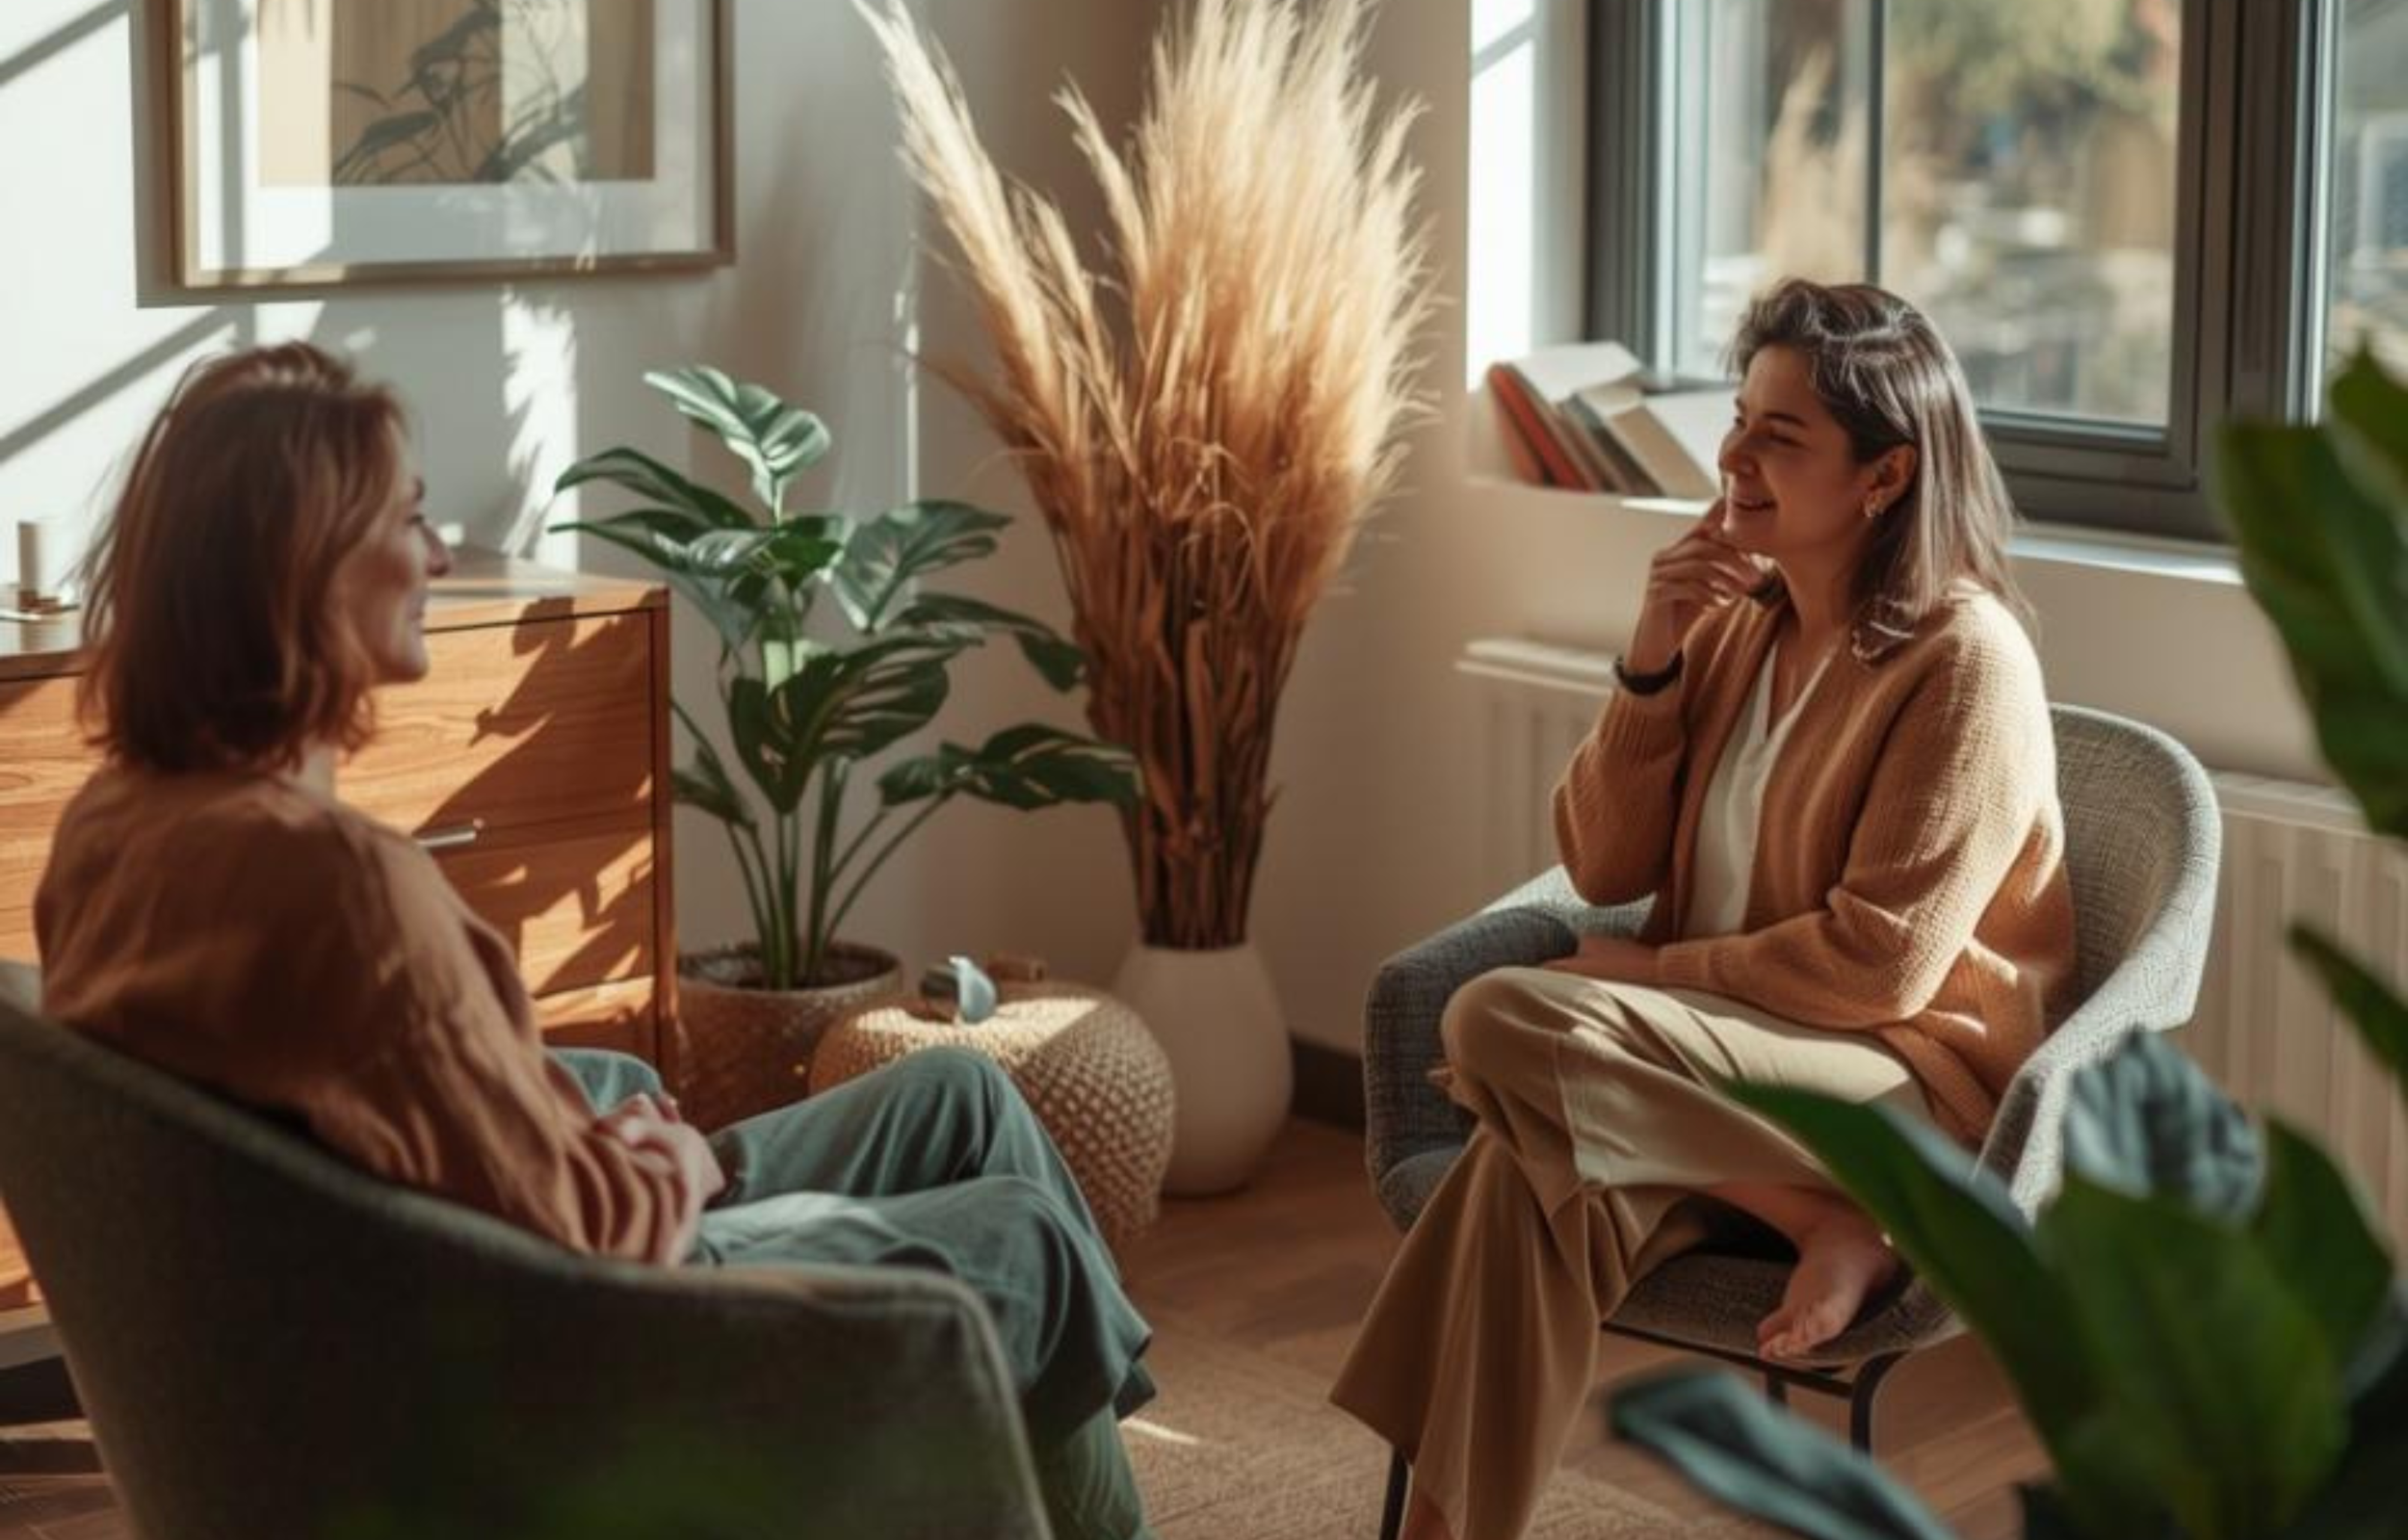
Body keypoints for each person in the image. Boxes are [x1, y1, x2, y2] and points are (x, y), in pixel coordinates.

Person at [34, 342, 1156, 1540]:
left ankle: (1057, 1477)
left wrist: (584, 1120)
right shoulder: (343, 889)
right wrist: (655, 1165)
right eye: (409, 519)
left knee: (956, 1099)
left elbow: (404, 1118)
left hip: (445, 1306)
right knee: (1024, 1244)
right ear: (302, 570)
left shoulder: (115, 828)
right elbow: (586, 1239)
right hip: (573, 1371)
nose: (440, 553)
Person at [1331, 279, 2075, 1540]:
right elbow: (1603, 858)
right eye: (1738, 419)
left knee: (1497, 1019)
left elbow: (1881, 968)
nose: (1732, 456)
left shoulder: (1968, 660)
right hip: (1717, 1082)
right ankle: (1821, 1219)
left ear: (1885, 479)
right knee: (1526, 1174)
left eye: (1778, 437)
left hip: (1888, 1082)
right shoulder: (1739, 623)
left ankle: (1863, 1199)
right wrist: (1653, 654)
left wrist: (1659, 971)